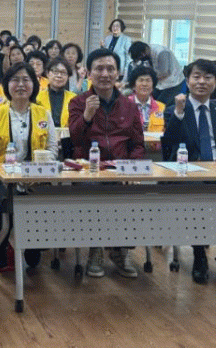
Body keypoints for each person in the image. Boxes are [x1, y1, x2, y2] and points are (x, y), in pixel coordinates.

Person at [161, 59, 216, 285]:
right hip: (188, 175)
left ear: (215, 82)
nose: (202, 82)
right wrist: (179, 113)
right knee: (198, 199)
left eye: (208, 77)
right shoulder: (175, 109)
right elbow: (169, 144)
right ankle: (199, 256)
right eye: (196, 77)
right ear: (187, 81)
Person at [68, 48, 145, 279]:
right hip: (89, 171)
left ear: (118, 73)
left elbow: (138, 144)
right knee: (95, 194)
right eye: (99, 69)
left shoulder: (129, 106)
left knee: (134, 195)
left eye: (110, 69)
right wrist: (87, 115)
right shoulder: (78, 102)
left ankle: (120, 250)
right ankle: (96, 248)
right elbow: (75, 140)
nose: (105, 74)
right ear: (89, 73)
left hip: (120, 170)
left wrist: (132, 170)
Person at [0, 62, 58, 267]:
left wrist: (38, 170)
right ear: (7, 85)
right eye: (15, 80)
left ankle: (33, 245)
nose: (21, 85)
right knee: (8, 198)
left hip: (34, 177)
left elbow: (52, 149)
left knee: (40, 198)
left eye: (26, 80)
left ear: (34, 85)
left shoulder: (43, 114)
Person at [36, 57, 76, 159]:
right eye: (55, 72)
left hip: (67, 145)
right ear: (48, 73)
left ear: (68, 76)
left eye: (63, 73)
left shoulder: (74, 98)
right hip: (42, 145)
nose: (59, 75)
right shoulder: (37, 97)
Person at [128, 41, 184, 107]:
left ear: (143, 53)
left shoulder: (162, 52)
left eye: (140, 57)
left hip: (173, 82)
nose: (141, 59)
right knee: (150, 101)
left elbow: (164, 72)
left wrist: (149, 78)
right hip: (160, 83)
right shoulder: (146, 53)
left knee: (160, 105)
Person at [127, 66, 165, 132]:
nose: (144, 84)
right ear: (133, 85)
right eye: (141, 80)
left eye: (148, 80)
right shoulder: (123, 105)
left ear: (153, 86)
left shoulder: (162, 107)